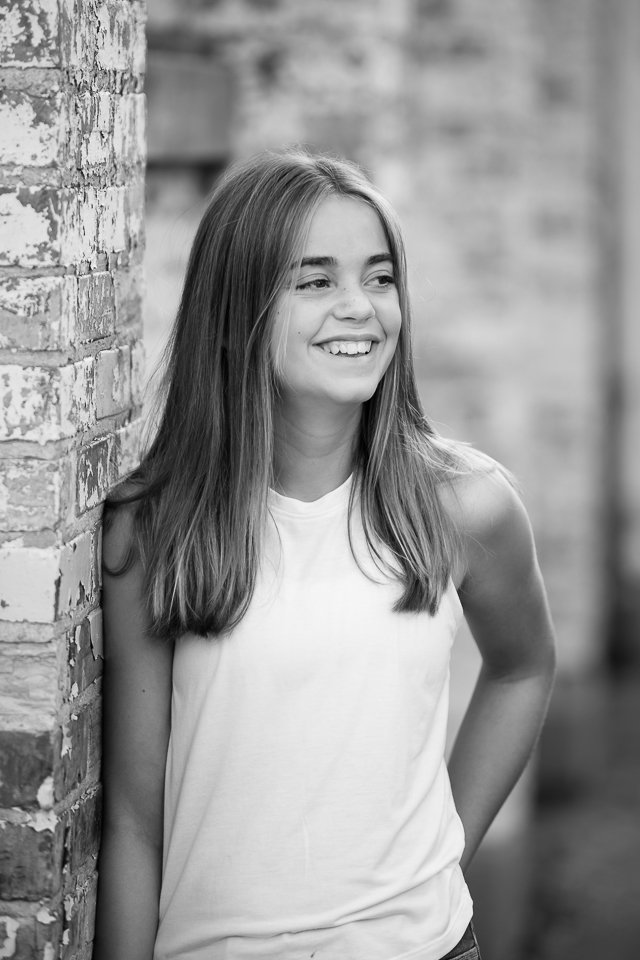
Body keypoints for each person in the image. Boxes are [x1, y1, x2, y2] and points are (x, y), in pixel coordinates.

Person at [93, 149, 556, 960]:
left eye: (380, 278)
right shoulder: (156, 528)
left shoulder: (464, 504)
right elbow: (135, 820)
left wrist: (441, 852)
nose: (360, 308)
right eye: (315, 281)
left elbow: (523, 670)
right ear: (235, 313)